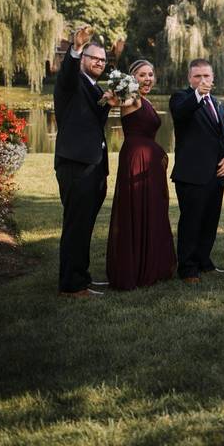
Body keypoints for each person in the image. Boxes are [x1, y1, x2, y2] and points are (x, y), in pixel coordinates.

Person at [106, 59, 176, 290]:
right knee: (136, 208)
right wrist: (117, 92)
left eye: (150, 75)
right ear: (133, 77)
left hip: (150, 162)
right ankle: (135, 267)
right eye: (142, 75)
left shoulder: (144, 99)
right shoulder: (132, 97)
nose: (148, 79)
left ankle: (153, 263)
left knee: (152, 208)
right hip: (137, 159)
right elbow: (119, 99)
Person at [53, 26, 112, 297]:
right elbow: (66, 73)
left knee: (85, 224)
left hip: (94, 165)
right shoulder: (72, 82)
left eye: (102, 59)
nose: (99, 62)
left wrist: (107, 103)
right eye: (94, 57)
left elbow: (91, 121)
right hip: (75, 164)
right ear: (83, 59)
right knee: (76, 224)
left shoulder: (94, 87)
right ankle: (72, 285)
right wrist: (75, 49)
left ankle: (82, 277)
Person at [169, 59, 224, 284]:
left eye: (206, 76)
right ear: (189, 78)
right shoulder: (181, 98)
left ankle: (204, 261)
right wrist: (197, 94)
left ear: (213, 78)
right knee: (191, 222)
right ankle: (187, 269)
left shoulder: (218, 104)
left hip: (217, 175)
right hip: (191, 174)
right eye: (197, 76)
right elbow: (181, 113)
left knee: (209, 221)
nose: (202, 80)